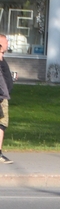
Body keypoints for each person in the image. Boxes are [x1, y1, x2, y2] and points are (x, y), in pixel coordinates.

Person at [0, 33, 14, 164]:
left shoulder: (2, 59)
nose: (7, 44)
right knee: (1, 124)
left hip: (3, 96)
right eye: (5, 42)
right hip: (1, 98)